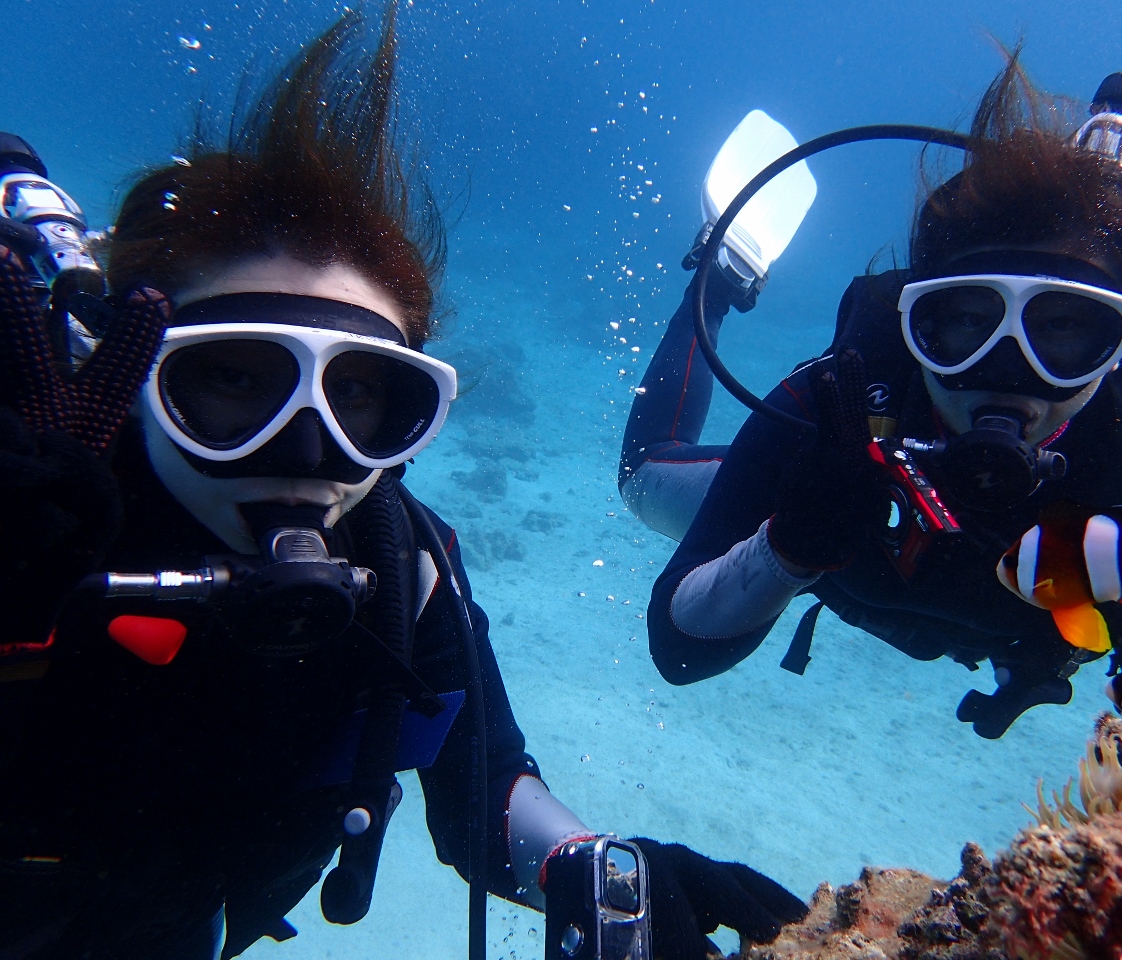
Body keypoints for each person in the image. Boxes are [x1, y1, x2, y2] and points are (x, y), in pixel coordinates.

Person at [0, 8, 807, 958]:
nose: (305, 455)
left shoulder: (406, 573)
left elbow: (485, 789)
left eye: (361, 398)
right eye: (230, 380)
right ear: (139, 376)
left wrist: (588, 867)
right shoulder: (30, 512)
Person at [620, 53, 1122, 740]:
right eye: (967, 323)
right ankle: (723, 278)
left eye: (1063, 332)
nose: (1009, 374)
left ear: (1120, 352)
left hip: (1003, 629)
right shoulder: (846, 408)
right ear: (913, 325)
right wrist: (785, 548)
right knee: (643, 476)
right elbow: (678, 650)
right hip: (837, 547)